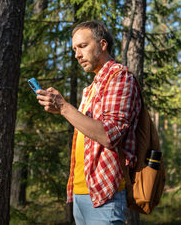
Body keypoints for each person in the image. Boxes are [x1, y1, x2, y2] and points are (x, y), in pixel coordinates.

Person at [36, 20, 141, 224]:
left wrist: (65, 107)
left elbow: (109, 136)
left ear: (103, 45)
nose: (77, 54)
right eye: (74, 49)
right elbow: (88, 132)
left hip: (104, 191)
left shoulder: (120, 78)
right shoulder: (92, 88)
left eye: (82, 46)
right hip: (81, 191)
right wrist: (61, 111)